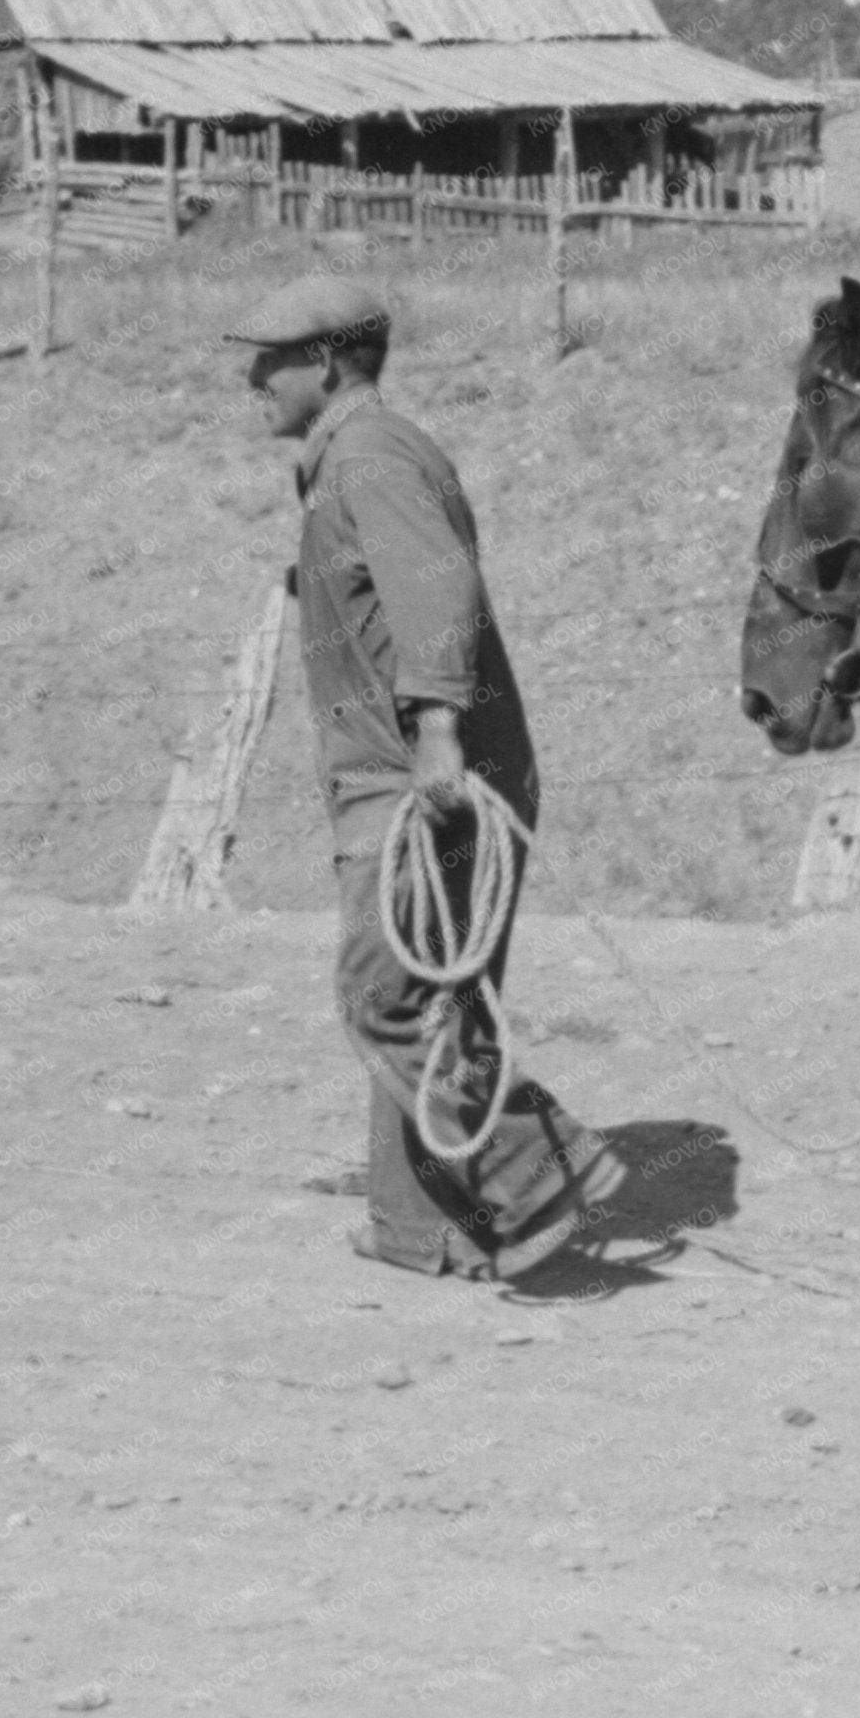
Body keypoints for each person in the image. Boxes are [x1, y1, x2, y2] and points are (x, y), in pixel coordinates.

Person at [229, 274, 620, 1279]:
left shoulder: (368, 458)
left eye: (269, 359)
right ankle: (415, 1224)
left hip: (419, 772)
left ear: (326, 364)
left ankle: (542, 1168)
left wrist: (439, 730)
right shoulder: (364, 454)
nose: (251, 377)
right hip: (410, 766)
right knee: (434, 995)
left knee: (384, 998)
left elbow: (436, 590)